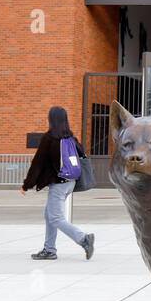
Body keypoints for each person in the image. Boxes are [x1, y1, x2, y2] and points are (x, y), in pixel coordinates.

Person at [21, 106, 95, 261]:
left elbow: (37, 164)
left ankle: (84, 239)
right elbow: (82, 156)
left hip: (59, 183)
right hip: (71, 182)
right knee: (49, 215)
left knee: (55, 217)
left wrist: (27, 184)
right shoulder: (70, 138)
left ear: (51, 119)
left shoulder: (49, 139)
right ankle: (49, 250)